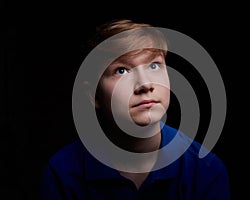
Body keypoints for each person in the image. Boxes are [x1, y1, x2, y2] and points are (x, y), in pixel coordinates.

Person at [41, 19, 231, 200]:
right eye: (121, 70)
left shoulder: (205, 170)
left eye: (154, 65)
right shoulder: (62, 173)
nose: (145, 84)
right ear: (94, 95)